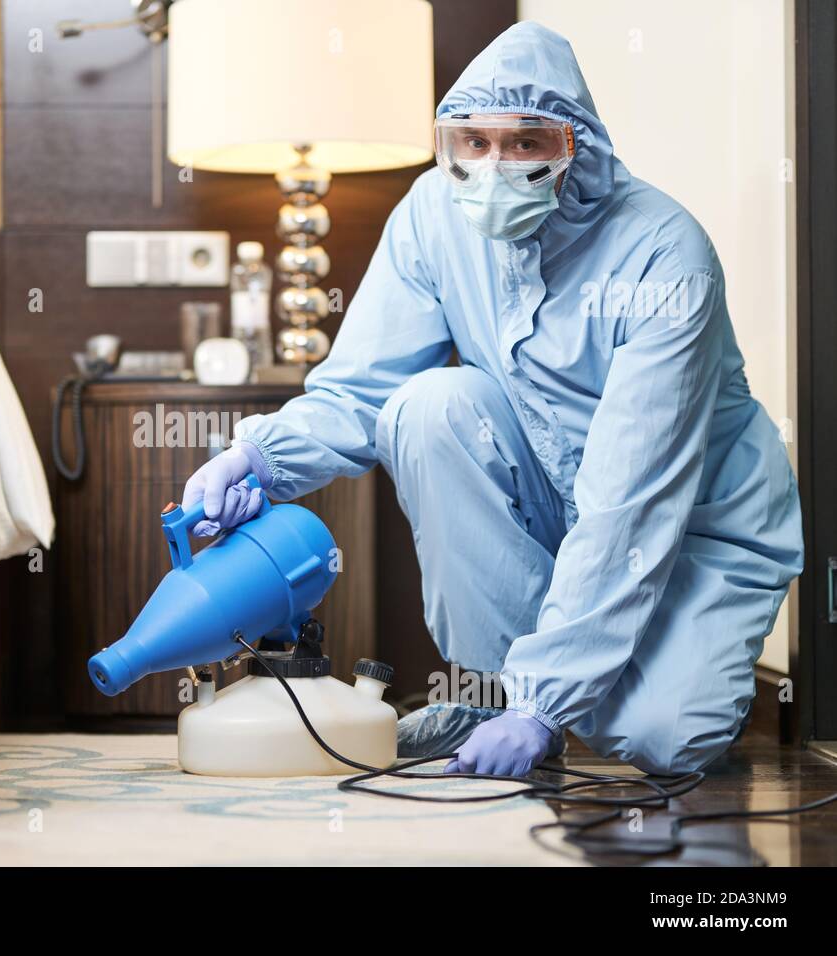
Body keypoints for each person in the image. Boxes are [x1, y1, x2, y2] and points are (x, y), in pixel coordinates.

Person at [180, 22, 803, 777]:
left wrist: (546, 704)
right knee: (428, 406)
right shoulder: (429, 215)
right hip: (555, 500)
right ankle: (521, 696)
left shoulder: (666, 254)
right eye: (473, 143)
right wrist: (255, 457)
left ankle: (538, 701)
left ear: (577, 144)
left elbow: (629, 498)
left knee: (667, 740)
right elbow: (362, 391)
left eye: (526, 143)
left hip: (693, 525)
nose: (494, 166)